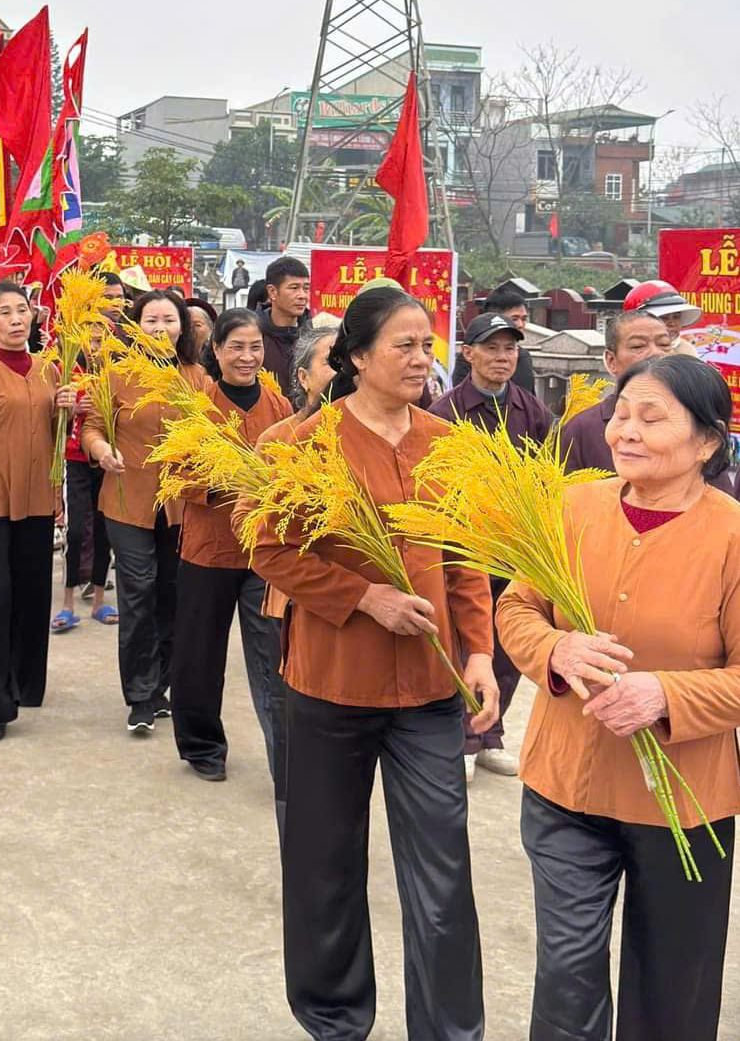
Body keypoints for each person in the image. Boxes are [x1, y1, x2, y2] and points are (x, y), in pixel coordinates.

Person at [249, 287, 498, 1041]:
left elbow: (464, 557)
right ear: (357, 358)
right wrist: (363, 596)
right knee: (325, 865)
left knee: (442, 870)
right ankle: (334, 1017)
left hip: (429, 690)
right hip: (329, 683)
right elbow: (270, 550)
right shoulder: (298, 445)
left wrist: (480, 651)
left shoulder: (449, 443)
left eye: (428, 345)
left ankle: (450, 1029)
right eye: (405, 345)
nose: (424, 359)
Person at [496, 354, 740, 1041]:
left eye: (651, 417)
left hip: (684, 802)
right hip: (565, 786)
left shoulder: (731, 535)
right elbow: (516, 608)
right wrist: (555, 650)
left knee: (673, 985)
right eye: (622, 413)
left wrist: (666, 693)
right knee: (567, 976)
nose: (625, 430)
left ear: (707, 442)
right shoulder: (569, 506)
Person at [430, 312, 553, 783]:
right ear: (469, 353)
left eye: (510, 349)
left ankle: (490, 736)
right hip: (463, 547)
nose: (502, 358)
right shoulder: (445, 412)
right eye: (492, 348)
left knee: (508, 644)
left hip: (513, 549)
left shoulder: (532, 410)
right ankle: (464, 736)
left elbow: (548, 476)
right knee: (469, 642)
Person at [170, 309, 292, 781]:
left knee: (273, 656)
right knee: (200, 654)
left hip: (265, 552)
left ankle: (285, 758)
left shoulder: (279, 406)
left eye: (255, 347)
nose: (247, 356)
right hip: (209, 549)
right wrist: (225, 484)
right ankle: (202, 745)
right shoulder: (196, 405)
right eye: (236, 347)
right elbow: (174, 474)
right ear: (216, 350)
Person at [0, 281, 76, 742]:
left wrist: (65, 408)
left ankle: (28, 684)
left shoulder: (49, 370)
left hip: (39, 499)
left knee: (32, 593)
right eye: (3, 312)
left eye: (21, 310)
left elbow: (51, 436)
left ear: (33, 316)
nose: (15, 319)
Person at [81, 289, 208, 734]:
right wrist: (102, 450)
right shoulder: (114, 375)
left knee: (173, 596)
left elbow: (211, 434)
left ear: (182, 327)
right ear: (136, 327)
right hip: (125, 500)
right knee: (138, 592)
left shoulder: (196, 378)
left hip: (179, 504)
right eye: (151, 320)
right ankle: (139, 694)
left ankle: (161, 687)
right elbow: (92, 427)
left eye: (168, 320)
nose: (160, 328)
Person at [556, 312, 735, 492]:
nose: (656, 353)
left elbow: (719, 495)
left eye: (664, 345)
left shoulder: (695, 416)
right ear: (611, 361)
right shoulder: (582, 428)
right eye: (638, 346)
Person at [52, 322, 117, 633]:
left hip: (105, 462)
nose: (95, 341)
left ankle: (99, 600)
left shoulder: (116, 372)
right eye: (89, 334)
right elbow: (51, 416)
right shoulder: (63, 370)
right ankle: (66, 603)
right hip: (75, 459)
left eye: (99, 335)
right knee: (76, 531)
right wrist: (72, 407)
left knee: (105, 530)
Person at [452, 286, 537, 393]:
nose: (520, 325)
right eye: (514, 319)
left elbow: (530, 400)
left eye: (524, 319)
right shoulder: (471, 357)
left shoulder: (523, 357)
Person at [257, 257, 311, 389]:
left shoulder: (314, 336)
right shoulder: (253, 333)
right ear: (272, 292)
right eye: (294, 288)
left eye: (306, 288)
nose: (302, 295)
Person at [623, 278, 702, 356]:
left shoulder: (687, 350)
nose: (672, 323)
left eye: (676, 317)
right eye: (663, 317)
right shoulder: (625, 352)